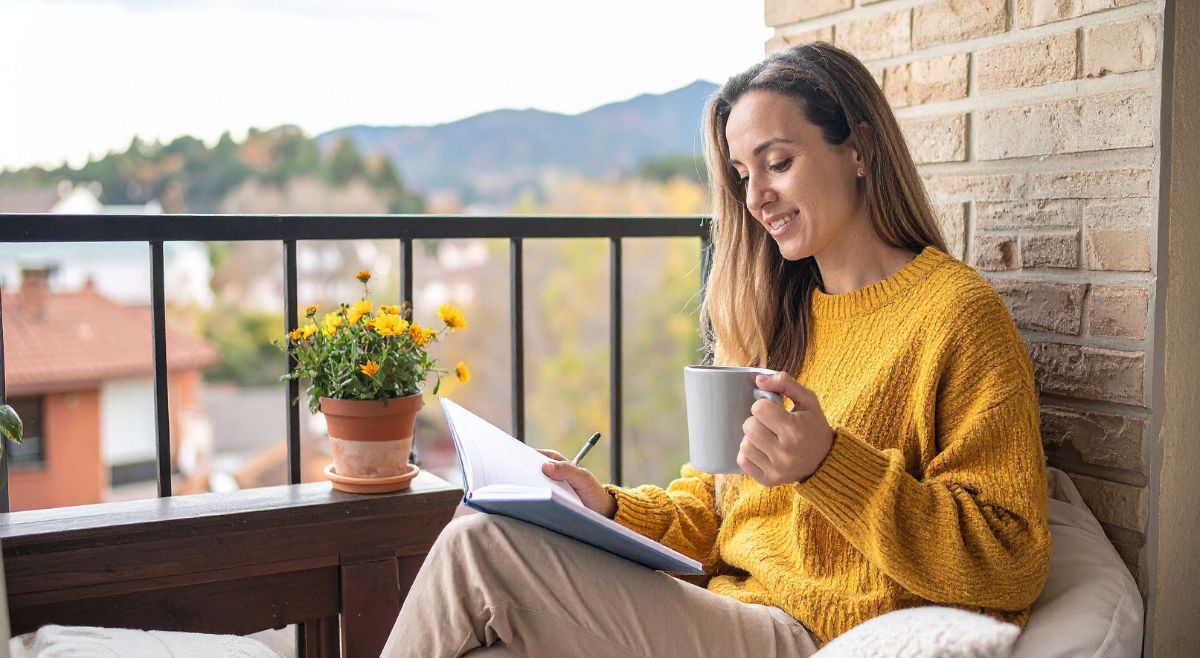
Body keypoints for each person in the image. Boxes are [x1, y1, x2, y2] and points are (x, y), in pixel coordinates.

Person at [381, 41, 1051, 657]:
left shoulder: (955, 317)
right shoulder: (783, 316)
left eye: (778, 163)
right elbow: (714, 507)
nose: (756, 198)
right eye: (740, 175)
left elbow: (1011, 557)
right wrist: (606, 507)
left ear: (860, 149)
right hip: (725, 608)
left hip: (812, 633)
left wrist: (829, 466)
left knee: (479, 546)